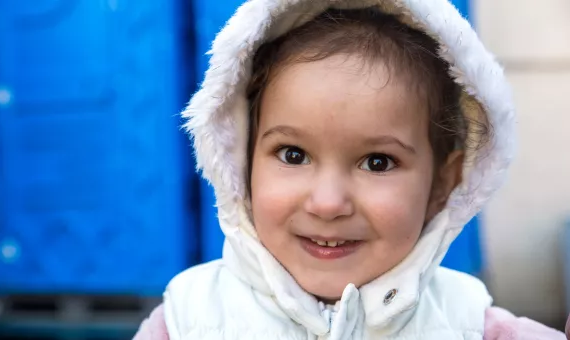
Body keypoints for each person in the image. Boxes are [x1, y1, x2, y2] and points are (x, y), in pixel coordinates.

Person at [135, 0, 570, 339]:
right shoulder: (187, 320)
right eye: (292, 154)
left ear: (444, 183)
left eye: (377, 162)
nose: (328, 203)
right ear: (241, 159)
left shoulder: (470, 324)